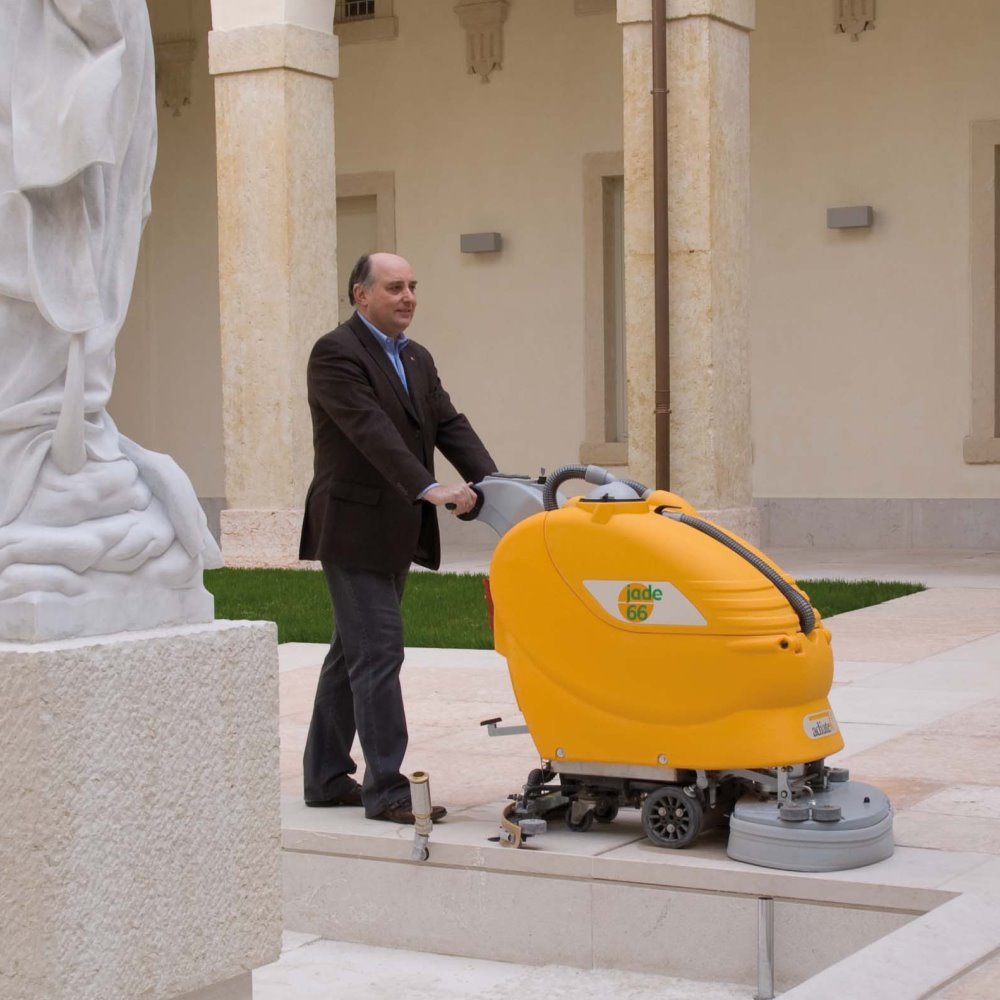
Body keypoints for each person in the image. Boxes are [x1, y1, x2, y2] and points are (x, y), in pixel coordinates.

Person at [300, 252, 497, 823]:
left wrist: (493, 482)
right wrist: (429, 487)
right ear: (361, 296)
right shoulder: (336, 353)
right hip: (352, 527)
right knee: (379, 651)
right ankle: (386, 789)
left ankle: (323, 776)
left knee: (352, 654)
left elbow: (449, 422)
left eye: (413, 285)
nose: (408, 296)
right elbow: (371, 432)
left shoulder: (416, 356)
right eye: (394, 287)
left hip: (395, 528)